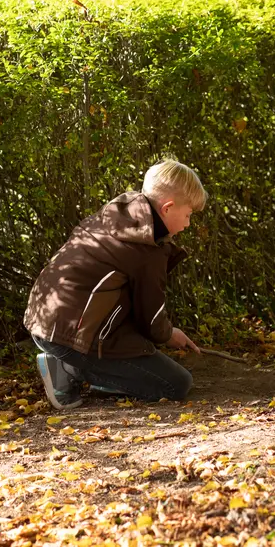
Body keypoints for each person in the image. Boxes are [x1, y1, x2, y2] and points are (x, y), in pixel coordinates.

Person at [23, 159, 205, 409]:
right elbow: (151, 321)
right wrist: (168, 334)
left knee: (147, 360)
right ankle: (67, 369)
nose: (187, 224)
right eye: (188, 215)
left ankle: (106, 374)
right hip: (67, 336)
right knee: (175, 384)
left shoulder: (120, 215)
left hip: (44, 321)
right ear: (168, 208)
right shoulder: (146, 248)